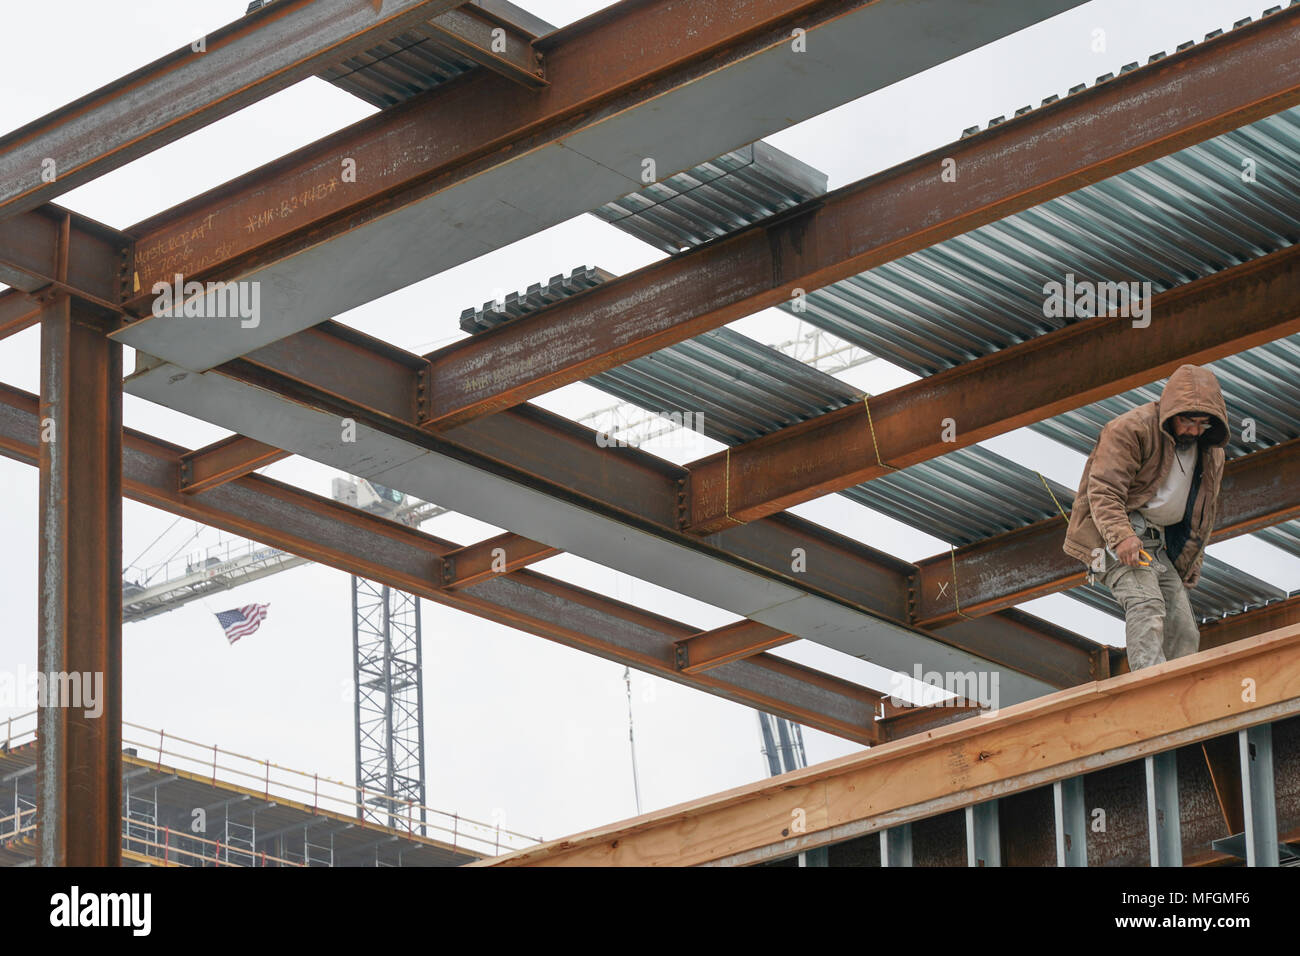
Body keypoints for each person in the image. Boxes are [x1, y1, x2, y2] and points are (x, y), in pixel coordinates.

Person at [1062, 364, 1229, 671]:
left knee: (1182, 626)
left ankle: (1179, 697)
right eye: (1188, 421)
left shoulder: (1210, 453)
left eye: (1202, 423)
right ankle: (1149, 692)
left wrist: (1192, 561)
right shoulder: (1131, 429)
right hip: (1111, 538)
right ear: (1170, 412)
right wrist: (1121, 536)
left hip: (1158, 545)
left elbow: (1203, 514)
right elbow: (1104, 490)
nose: (1193, 430)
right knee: (1146, 605)